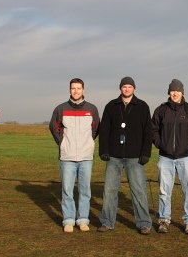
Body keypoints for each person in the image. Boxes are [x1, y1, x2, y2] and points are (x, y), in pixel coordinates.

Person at [98, 77, 153, 235]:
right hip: (114, 156)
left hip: (135, 157)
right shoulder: (111, 106)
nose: (127, 89)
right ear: (120, 88)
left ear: (134, 88)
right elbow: (104, 130)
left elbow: (147, 132)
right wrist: (104, 150)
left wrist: (145, 153)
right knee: (109, 190)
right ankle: (107, 222)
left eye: (129, 86)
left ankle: (143, 223)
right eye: (124, 87)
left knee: (139, 190)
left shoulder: (142, 106)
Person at [151, 79, 188, 235]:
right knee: (164, 190)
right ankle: (164, 220)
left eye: (178, 91)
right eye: (172, 91)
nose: (175, 93)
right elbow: (153, 130)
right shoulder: (161, 110)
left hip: (186, 157)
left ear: (182, 92)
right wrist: (161, 144)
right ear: (169, 92)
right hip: (165, 157)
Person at [49, 78, 100, 233]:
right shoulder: (60, 109)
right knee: (67, 190)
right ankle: (69, 220)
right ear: (70, 90)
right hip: (67, 157)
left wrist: (88, 142)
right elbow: (54, 127)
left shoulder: (92, 109)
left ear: (84, 90)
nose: (76, 91)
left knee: (85, 190)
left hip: (86, 157)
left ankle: (83, 219)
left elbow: (96, 128)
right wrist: (62, 142)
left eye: (78, 88)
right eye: (73, 88)